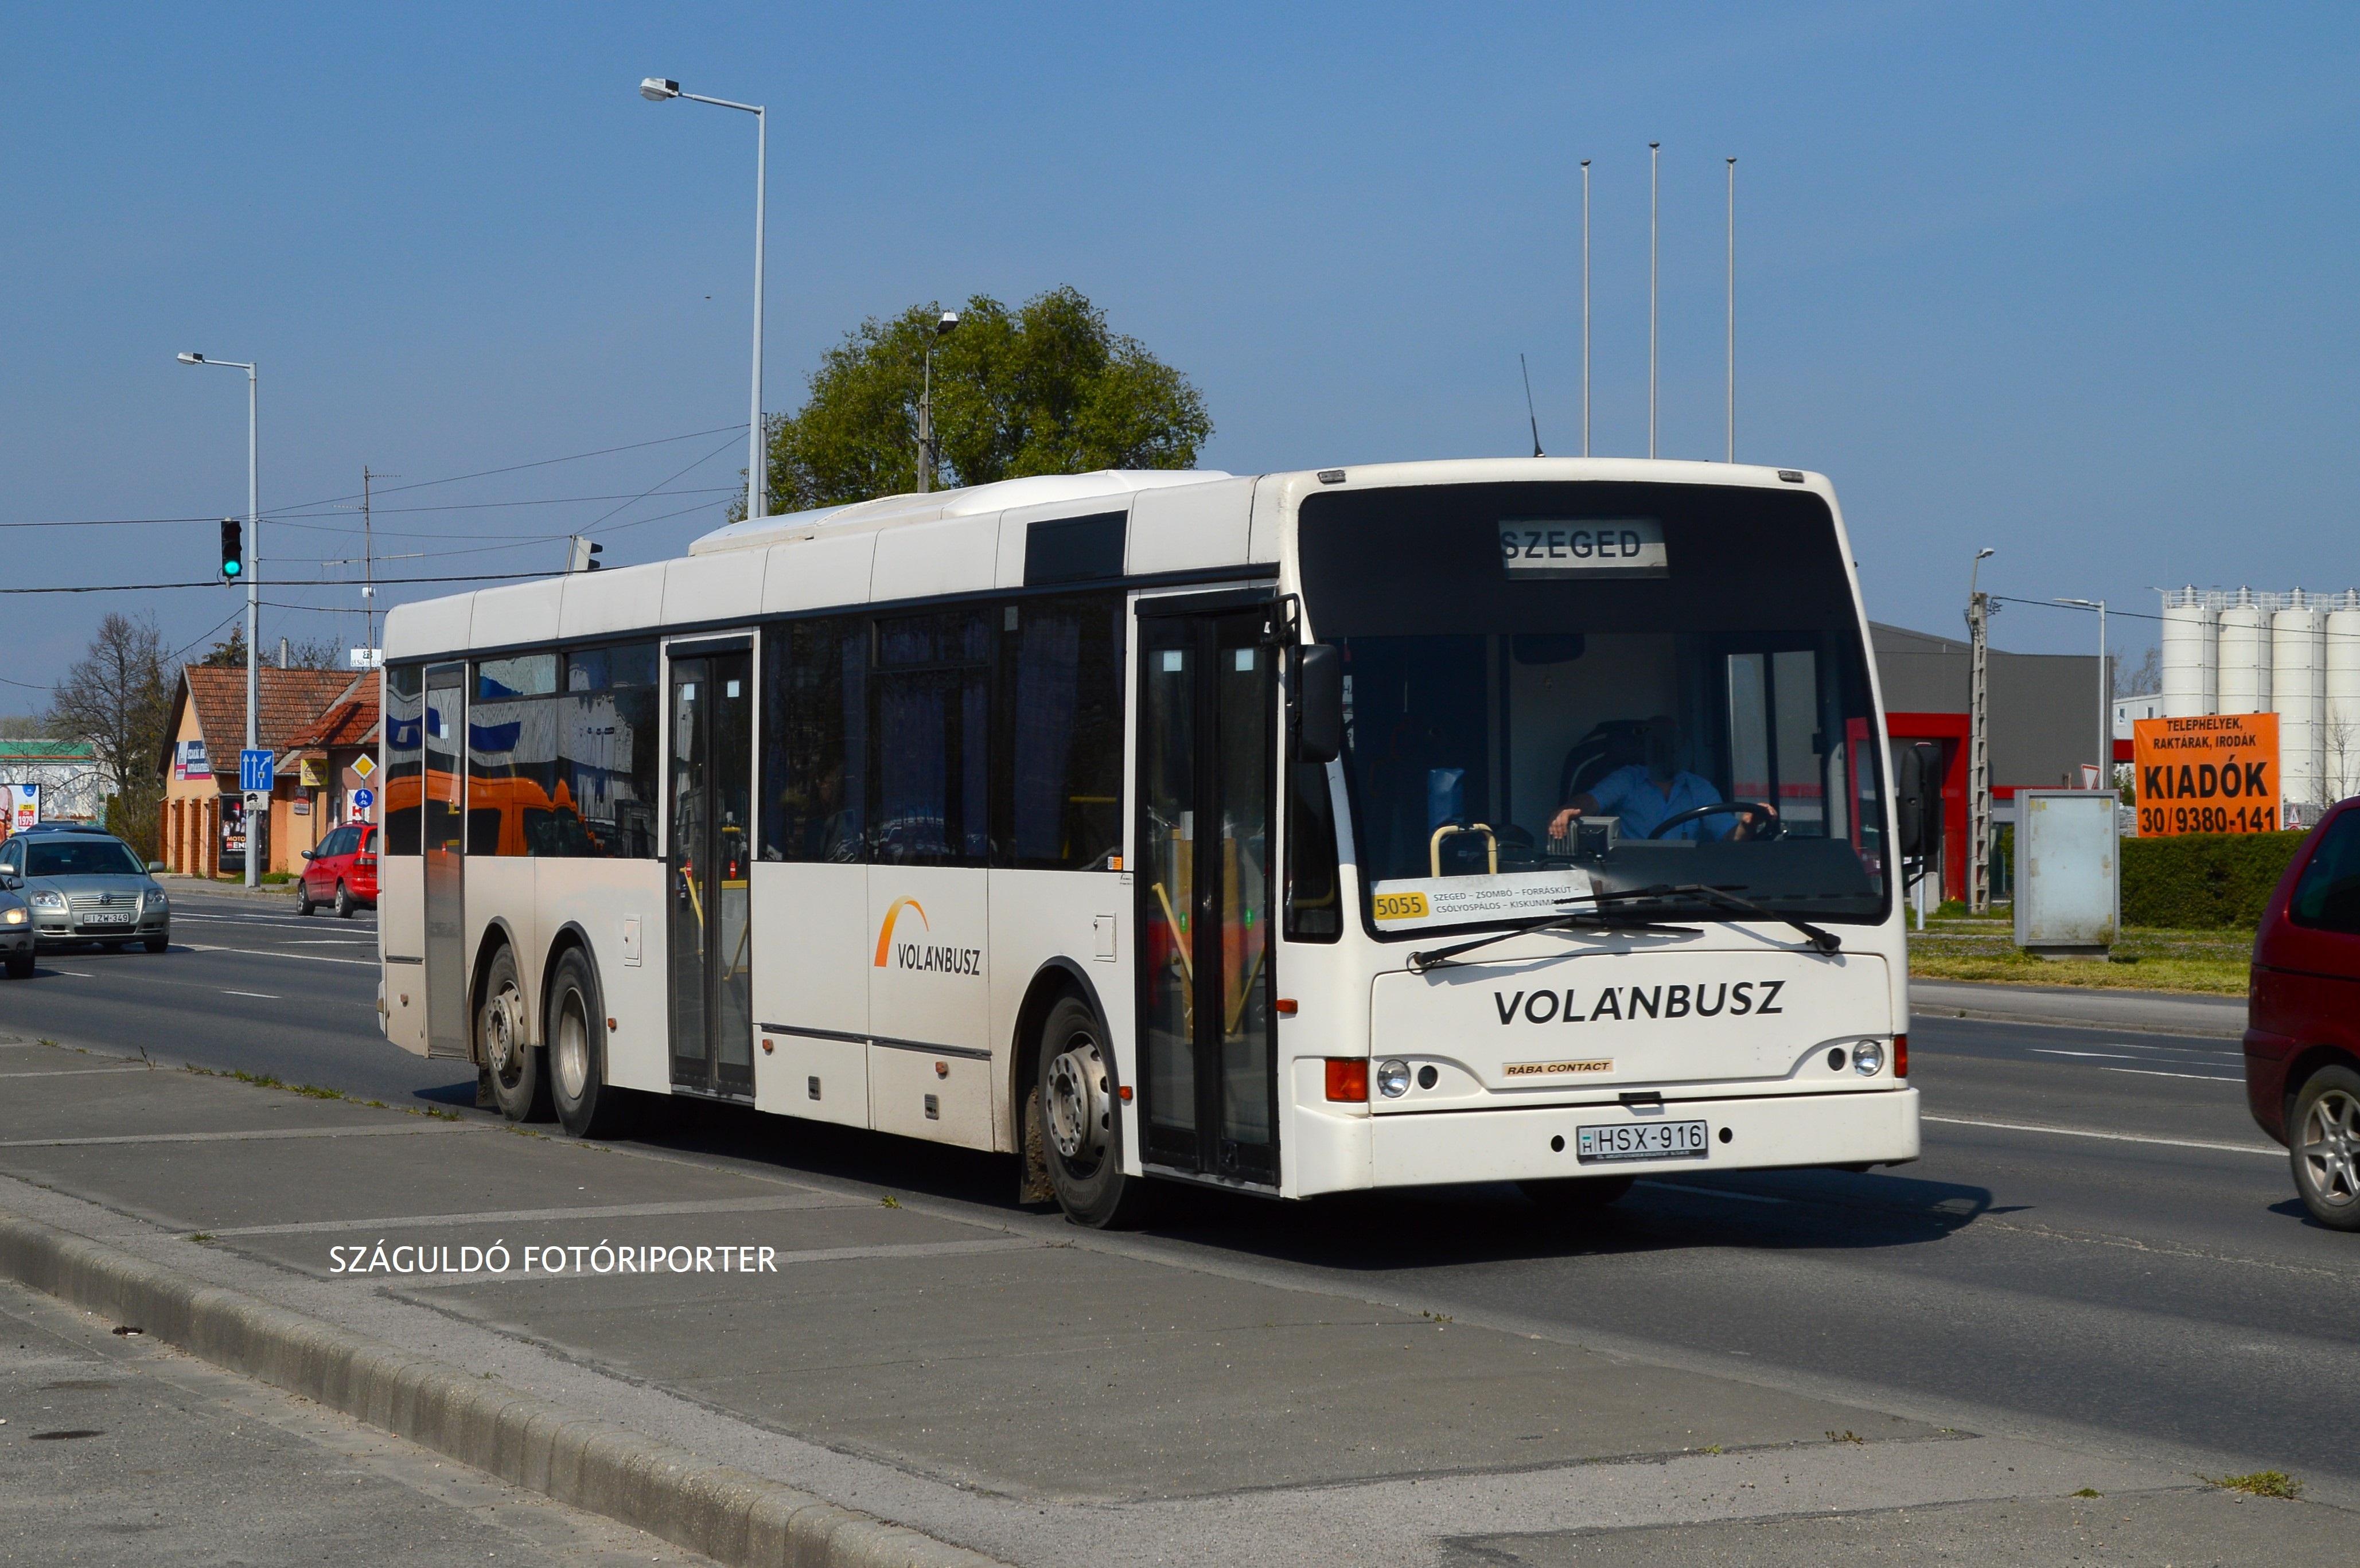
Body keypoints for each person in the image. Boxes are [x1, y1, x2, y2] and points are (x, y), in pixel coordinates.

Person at [1547, 714, 1770, 843]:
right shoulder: (1627, 779)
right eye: (1659, 744)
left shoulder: (1700, 788)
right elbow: (1591, 801)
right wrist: (1570, 810)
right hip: (1631, 881)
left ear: (1683, 747)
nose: (1667, 751)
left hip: (1689, 885)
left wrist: (1748, 824)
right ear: (1646, 747)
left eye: (1672, 744)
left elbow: (1730, 836)